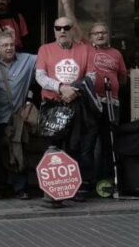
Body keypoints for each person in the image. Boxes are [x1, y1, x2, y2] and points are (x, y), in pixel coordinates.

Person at [35, 14, 93, 201]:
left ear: (73, 30)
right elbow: (40, 77)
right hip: (52, 104)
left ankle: (73, 189)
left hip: (76, 103)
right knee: (53, 147)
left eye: (66, 28)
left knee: (75, 146)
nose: (62, 31)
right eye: (58, 28)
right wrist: (61, 88)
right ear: (54, 30)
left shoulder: (85, 49)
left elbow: (92, 76)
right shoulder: (45, 49)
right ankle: (52, 192)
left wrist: (74, 90)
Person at [0, 31, 38, 200]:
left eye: (11, 44)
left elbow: (48, 60)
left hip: (17, 116)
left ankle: (21, 188)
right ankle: (0, 187)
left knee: (19, 150)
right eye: (5, 45)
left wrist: (30, 101)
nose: (9, 48)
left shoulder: (28, 60)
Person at [86, 22, 128, 185]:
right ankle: (90, 180)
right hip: (92, 101)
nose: (100, 35)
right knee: (90, 141)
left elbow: (123, 77)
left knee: (109, 141)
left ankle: (107, 180)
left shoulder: (116, 53)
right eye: (96, 33)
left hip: (112, 102)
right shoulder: (87, 50)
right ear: (91, 37)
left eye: (103, 32)